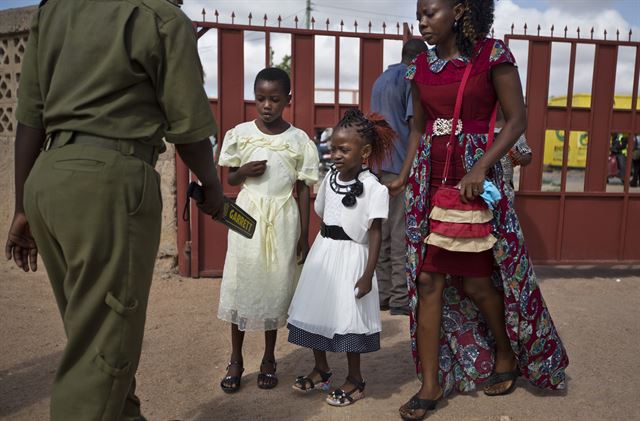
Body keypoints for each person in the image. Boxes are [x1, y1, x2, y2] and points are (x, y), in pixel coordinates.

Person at [4, 1, 224, 420]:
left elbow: (30, 115)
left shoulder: (55, 10)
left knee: (96, 333)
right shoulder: (160, 18)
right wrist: (212, 187)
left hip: (48, 179)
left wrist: (21, 205)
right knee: (101, 351)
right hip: (108, 184)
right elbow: (190, 129)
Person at [386, 1, 569, 419]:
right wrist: (402, 175)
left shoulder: (494, 55)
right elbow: (418, 126)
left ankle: (506, 354)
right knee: (429, 279)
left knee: (478, 283)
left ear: (460, 10)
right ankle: (430, 385)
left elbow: (517, 119)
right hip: (430, 181)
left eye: (431, 12)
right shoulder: (420, 68)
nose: (423, 21)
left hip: (474, 183)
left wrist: (482, 166)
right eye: (420, 13)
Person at [216, 67, 319, 393]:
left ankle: (269, 358)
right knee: (240, 282)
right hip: (246, 215)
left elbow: (303, 188)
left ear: (287, 100)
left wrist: (303, 234)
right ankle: (235, 358)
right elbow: (230, 179)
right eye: (261, 98)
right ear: (254, 98)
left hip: (283, 217)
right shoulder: (241, 134)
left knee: (275, 284)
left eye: (274, 99)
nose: (267, 105)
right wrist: (243, 170)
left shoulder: (298, 140)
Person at [287, 109, 393, 407]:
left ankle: (356, 379)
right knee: (315, 312)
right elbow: (322, 210)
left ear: (365, 152)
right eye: (332, 148)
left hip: (352, 259)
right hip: (324, 253)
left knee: (349, 319)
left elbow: (375, 233)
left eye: (343, 150)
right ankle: (321, 370)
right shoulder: (331, 178)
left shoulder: (374, 188)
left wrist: (368, 274)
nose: (335, 155)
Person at [370, 39, 429, 316]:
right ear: (418, 58)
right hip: (399, 166)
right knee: (399, 231)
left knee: (379, 230)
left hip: (378, 166)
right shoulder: (410, 78)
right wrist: (410, 170)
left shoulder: (380, 80)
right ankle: (399, 298)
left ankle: (382, 293)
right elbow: (413, 125)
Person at [495, 107, 532, 203]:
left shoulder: (514, 131)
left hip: (505, 190)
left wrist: (521, 157)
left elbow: (527, 155)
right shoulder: (480, 128)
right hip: (481, 188)